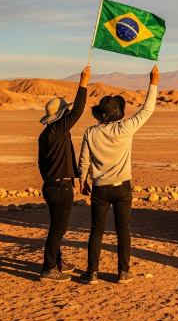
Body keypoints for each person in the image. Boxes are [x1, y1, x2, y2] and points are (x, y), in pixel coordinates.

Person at [77, 65, 159, 285]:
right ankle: (123, 272)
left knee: (97, 230)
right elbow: (146, 110)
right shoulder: (126, 128)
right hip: (122, 187)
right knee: (123, 230)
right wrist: (153, 83)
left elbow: (84, 159)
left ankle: (92, 273)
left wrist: (82, 180)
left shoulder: (91, 132)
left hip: (100, 188)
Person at [37, 65, 90, 283]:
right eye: (64, 112)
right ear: (60, 116)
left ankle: (57, 263)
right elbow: (77, 111)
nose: (68, 113)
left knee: (56, 227)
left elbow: (41, 164)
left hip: (51, 185)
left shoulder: (45, 133)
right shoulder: (59, 129)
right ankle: (49, 269)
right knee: (58, 229)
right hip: (59, 187)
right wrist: (83, 83)